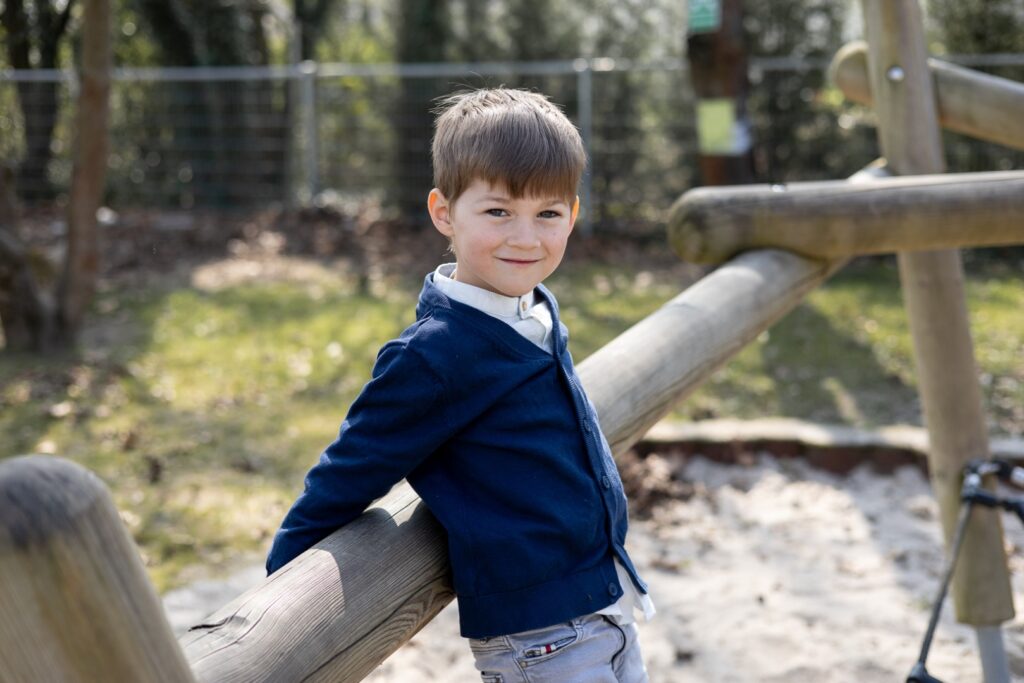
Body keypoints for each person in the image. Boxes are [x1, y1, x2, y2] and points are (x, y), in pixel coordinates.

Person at [266, 87, 653, 682]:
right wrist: (280, 592)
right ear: (444, 212)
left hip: (606, 602)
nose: (526, 238)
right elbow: (353, 465)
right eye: (498, 212)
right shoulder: (436, 353)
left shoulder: (533, 307)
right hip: (542, 638)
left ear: (572, 215)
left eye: (547, 214)